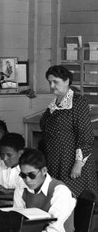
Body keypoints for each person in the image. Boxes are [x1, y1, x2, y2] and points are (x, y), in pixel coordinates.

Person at [40, 65, 98, 197]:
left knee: (71, 201)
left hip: (71, 163)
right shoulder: (54, 103)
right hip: (55, 161)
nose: (52, 86)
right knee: (56, 199)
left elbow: (85, 135)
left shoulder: (78, 102)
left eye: (56, 82)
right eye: (50, 82)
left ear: (66, 81)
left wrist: (78, 164)